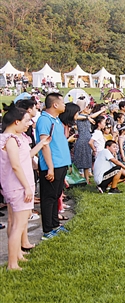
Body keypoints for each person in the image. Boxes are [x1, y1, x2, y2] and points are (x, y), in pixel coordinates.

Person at [0, 106, 51, 270]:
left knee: (17, 223)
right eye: (26, 121)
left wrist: (42, 143)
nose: (29, 124)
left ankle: (17, 256)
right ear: (16, 122)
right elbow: (16, 166)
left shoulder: (13, 137)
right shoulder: (11, 140)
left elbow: (25, 156)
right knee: (18, 225)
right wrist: (27, 188)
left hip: (18, 185)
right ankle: (12, 264)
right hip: (18, 186)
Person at [34, 93, 72, 240]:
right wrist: (50, 167)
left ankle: (55, 225)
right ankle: (47, 230)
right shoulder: (44, 120)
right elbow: (44, 145)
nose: (65, 105)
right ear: (55, 105)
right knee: (48, 198)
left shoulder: (55, 120)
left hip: (60, 164)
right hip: (52, 165)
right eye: (62, 102)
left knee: (56, 195)